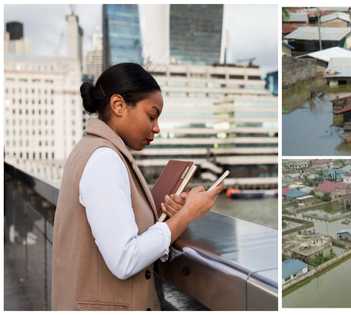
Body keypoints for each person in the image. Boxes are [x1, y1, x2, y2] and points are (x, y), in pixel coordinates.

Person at [51, 63, 223, 310]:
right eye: (151, 115)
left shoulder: (93, 150)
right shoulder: (104, 159)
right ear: (118, 105)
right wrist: (186, 215)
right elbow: (125, 259)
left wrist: (167, 217)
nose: (156, 128)